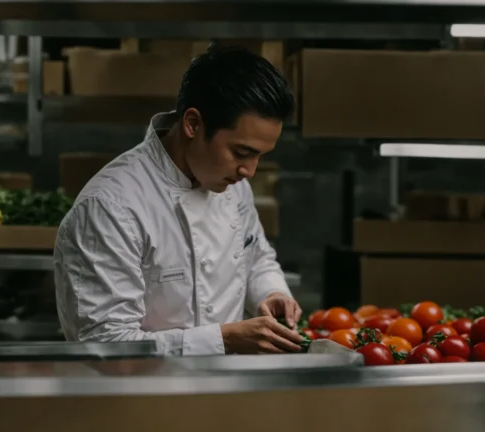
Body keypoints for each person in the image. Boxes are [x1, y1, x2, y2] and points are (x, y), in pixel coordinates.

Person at [53, 45, 304, 356]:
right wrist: (222, 339)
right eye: (242, 152)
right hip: (140, 398)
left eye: (259, 156)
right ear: (193, 124)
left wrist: (271, 291)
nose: (249, 171)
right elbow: (104, 345)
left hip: (224, 391)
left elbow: (255, 256)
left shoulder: (231, 182)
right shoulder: (111, 207)